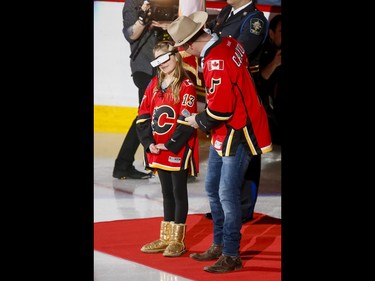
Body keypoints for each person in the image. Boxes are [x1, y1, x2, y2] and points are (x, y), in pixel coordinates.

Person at [167, 11, 272, 273]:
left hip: (237, 129)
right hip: (227, 129)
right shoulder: (227, 41)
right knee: (214, 188)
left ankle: (231, 253)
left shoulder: (215, 60)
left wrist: (195, 120)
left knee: (226, 193)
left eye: (182, 48)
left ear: (189, 44)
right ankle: (218, 243)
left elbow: (221, 110)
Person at [204, 0, 268, 223]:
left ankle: (243, 208)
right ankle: (226, 205)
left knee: (248, 147)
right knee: (226, 146)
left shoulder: (255, 20)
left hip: (245, 89)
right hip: (227, 88)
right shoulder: (226, 11)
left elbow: (238, 52)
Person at [136, 40, 199, 257]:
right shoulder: (153, 84)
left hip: (177, 149)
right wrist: (148, 143)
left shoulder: (186, 85)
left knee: (178, 191)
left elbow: (187, 120)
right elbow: (143, 114)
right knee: (165, 192)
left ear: (175, 56)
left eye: (165, 58)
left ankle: (177, 240)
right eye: (157, 60)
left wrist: (171, 144)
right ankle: (165, 237)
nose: (161, 64)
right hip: (157, 149)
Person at [113, 0, 176, 179]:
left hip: (165, 65)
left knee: (150, 115)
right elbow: (130, 35)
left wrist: (170, 25)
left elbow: (179, 31)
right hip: (144, 67)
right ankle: (124, 164)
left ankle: (132, 164)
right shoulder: (133, 3)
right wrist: (142, 18)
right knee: (145, 116)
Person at [257, 14, 282, 145]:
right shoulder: (263, 51)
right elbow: (260, 79)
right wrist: (275, 63)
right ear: (271, 34)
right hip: (268, 114)